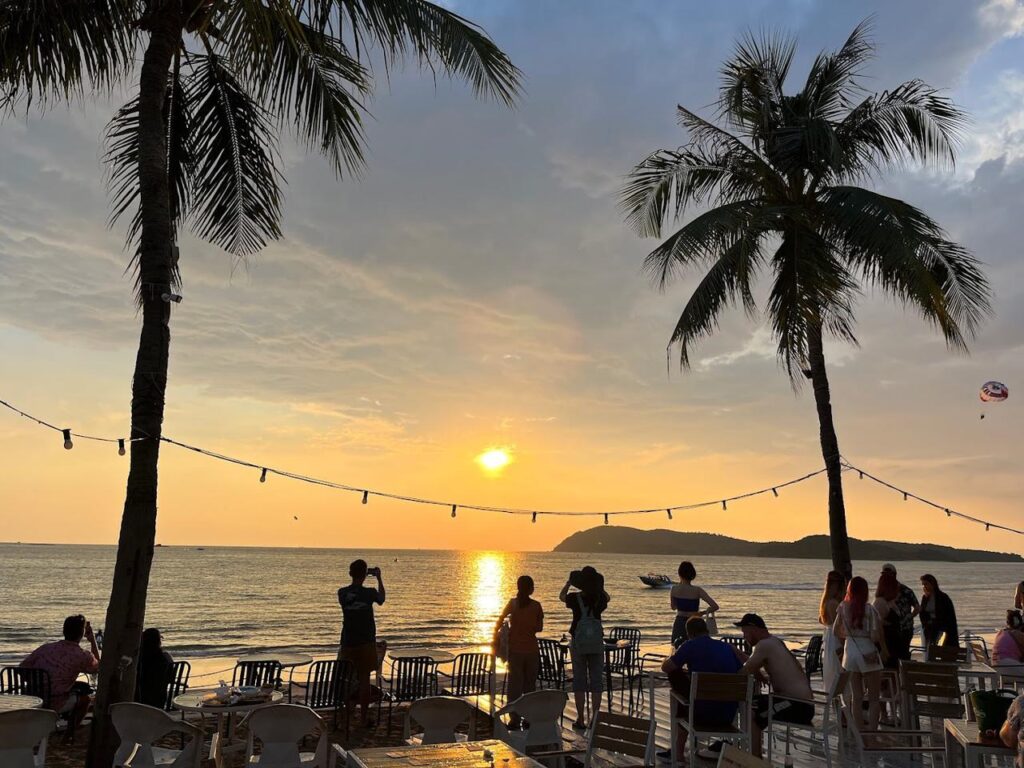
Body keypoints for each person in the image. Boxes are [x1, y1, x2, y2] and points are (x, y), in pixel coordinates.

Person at [661, 617, 744, 758]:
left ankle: (677, 753)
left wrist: (674, 655)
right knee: (693, 695)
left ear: (689, 634)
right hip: (727, 715)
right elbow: (741, 671)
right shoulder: (726, 647)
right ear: (707, 630)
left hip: (699, 716)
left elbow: (666, 668)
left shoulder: (690, 645)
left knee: (677, 680)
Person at [736, 614, 814, 758]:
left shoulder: (764, 645)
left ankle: (755, 760)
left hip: (798, 706)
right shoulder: (774, 642)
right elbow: (754, 664)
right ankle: (751, 752)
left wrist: (733, 658)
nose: (744, 636)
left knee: (753, 714)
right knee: (752, 704)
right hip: (797, 702)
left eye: (745, 632)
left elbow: (744, 672)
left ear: (753, 628)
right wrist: (739, 653)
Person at [20, 615, 100, 740]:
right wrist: (92, 639)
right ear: (82, 633)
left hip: (33, 697)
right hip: (54, 701)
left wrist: (36, 684)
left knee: (76, 687)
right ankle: (68, 736)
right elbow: (98, 668)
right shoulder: (82, 655)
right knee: (85, 700)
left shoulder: (45, 648)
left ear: (64, 631)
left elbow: (22, 668)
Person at [559, 566, 609, 729]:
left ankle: (580, 718)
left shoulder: (574, 598)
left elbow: (561, 597)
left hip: (578, 642)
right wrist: (600, 588)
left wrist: (568, 584)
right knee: (596, 681)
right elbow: (608, 597)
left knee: (579, 680)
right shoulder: (600, 598)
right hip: (596, 642)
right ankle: (595, 718)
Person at [338, 559, 385, 727]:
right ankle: (363, 718)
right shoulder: (370, 593)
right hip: (366, 642)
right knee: (365, 681)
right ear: (366, 574)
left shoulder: (342, 593)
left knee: (346, 680)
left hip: (348, 642)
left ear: (350, 573)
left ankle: (346, 716)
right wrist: (379, 578)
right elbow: (382, 599)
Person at [835, 576, 883, 732]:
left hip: (850, 653)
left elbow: (836, 630)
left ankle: (860, 733)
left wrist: (850, 634)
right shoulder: (870, 609)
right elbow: (875, 636)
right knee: (874, 698)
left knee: (857, 697)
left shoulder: (842, 607)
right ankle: (872, 733)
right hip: (868, 652)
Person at [495, 575, 544, 706]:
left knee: (514, 685)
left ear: (518, 587)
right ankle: (529, 715)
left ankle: (514, 717)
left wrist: (498, 637)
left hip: (515, 650)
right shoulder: (536, 606)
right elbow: (539, 628)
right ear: (531, 589)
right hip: (532, 650)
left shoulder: (513, 604)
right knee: (530, 685)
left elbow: (500, 620)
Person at [670, 561, 719, 647]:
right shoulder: (697, 590)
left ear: (679, 574)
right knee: (696, 648)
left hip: (679, 622)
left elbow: (673, 607)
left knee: (678, 648)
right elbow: (715, 606)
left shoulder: (674, 589)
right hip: (694, 622)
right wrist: (701, 613)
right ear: (692, 575)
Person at [882, 564, 920, 660]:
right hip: (889, 630)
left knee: (903, 655)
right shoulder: (883, 592)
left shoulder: (906, 591)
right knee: (891, 656)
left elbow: (917, 607)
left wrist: (909, 617)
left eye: (888, 574)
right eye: (883, 574)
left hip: (905, 629)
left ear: (894, 575)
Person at [818, 570, 845, 692]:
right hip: (835, 639)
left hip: (829, 639)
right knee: (838, 670)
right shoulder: (834, 603)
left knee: (832, 670)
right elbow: (837, 628)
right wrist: (844, 645)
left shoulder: (825, 602)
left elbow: (821, 620)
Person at [135, 628, 175, 709]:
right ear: (158, 641)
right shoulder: (165, 657)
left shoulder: (138, 658)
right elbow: (171, 678)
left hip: (140, 699)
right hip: (160, 699)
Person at [874, 570, 905, 669]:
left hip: (894, 644)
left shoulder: (890, 602)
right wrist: (884, 649)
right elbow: (878, 627)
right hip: (887, 645)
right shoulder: (880, 603)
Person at [919, 574, 958, 648]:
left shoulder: (943, 597)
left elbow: (948, 615)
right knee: (930, 649)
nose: (924, 587)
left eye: (926, 584)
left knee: (939, 649)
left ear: (932, 584)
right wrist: (926, 623)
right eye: (923, 585)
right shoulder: (925, 598)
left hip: (941, 628)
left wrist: (936, 622)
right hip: (929, 628)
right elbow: (922, 613)